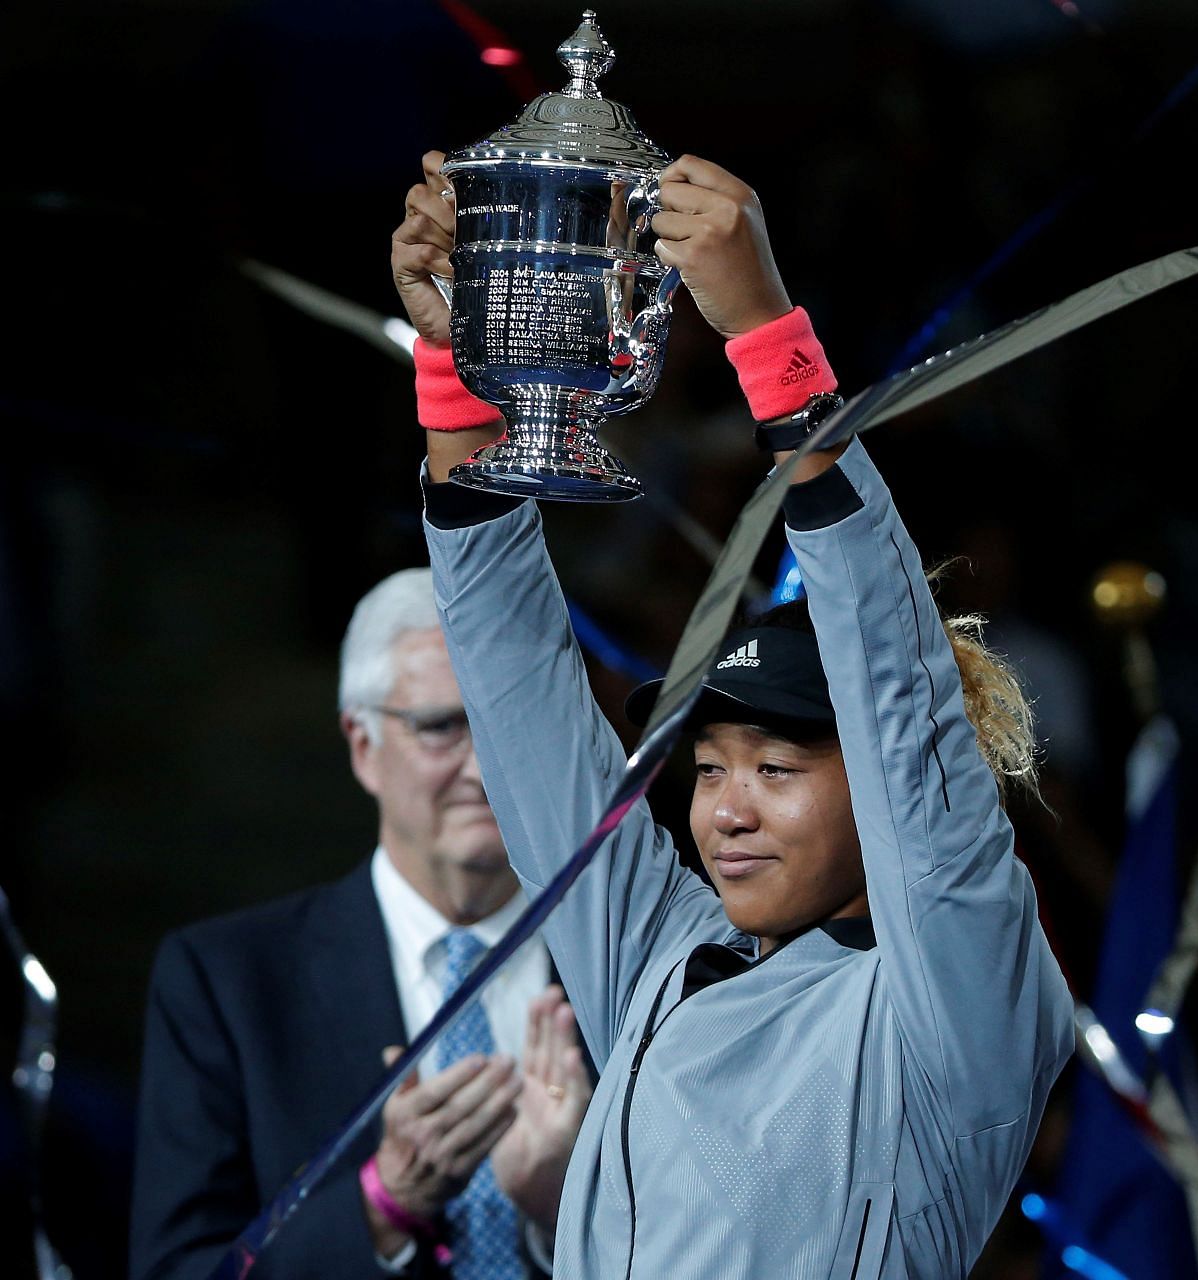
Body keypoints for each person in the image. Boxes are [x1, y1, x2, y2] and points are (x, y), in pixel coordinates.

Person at [390, 149, 1076, 1277]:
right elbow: (520, 699)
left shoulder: (956, 1003)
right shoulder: (663, 950)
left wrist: (770, 343)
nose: (729, 810)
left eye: (778, 764)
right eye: (710, 768)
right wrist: (459, 371)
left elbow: (904, 713)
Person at [130, 568, 592, 1280]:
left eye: (505, 723)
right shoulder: (229, 982)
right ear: (362, 745)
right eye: (441, 728)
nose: (483, 769)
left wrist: (570, 1210)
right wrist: (384, 1203)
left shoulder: (633, 965)